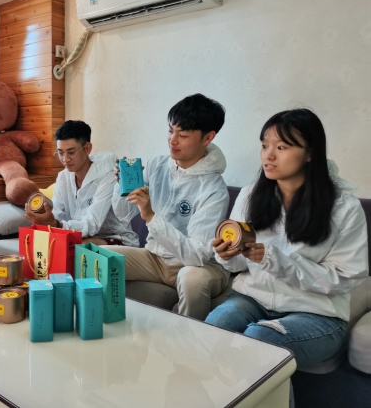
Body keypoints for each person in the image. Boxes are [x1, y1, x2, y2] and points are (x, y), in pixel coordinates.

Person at [206, 108, 368, 372]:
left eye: (281, 147)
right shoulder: (249, 196)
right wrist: (227, 255)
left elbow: (346, 278)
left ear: (310, 153)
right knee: (213, 329)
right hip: (253, 299)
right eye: (264, 145)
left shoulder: (343, 208)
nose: (268, 155)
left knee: (260, 341)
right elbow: (239, 266)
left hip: (317, 314)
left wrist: (275, 260)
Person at [106, 93, 231, 320]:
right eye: (170, 131)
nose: (173, 140)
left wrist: (150, 216)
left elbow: (196, 256)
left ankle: (186, 338)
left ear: (207, 138)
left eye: (182, 135)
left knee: (190, 278)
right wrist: (122, 186)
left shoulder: (214, 189)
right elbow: (123, 215)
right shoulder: (157, 166)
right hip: (155, 259)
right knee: (97, 257)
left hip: (201, 267)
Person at [25, 120, 139, 247]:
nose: (65, 159)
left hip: (115, 238)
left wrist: (56, 224)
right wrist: (44, 219)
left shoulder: (109, 175)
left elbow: (93, 224)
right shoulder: (63, 177)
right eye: (61, 153)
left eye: (71, 152)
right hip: (80, 236)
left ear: (87, 149)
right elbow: (57, 213)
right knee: (45, 242)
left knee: (79, 245)